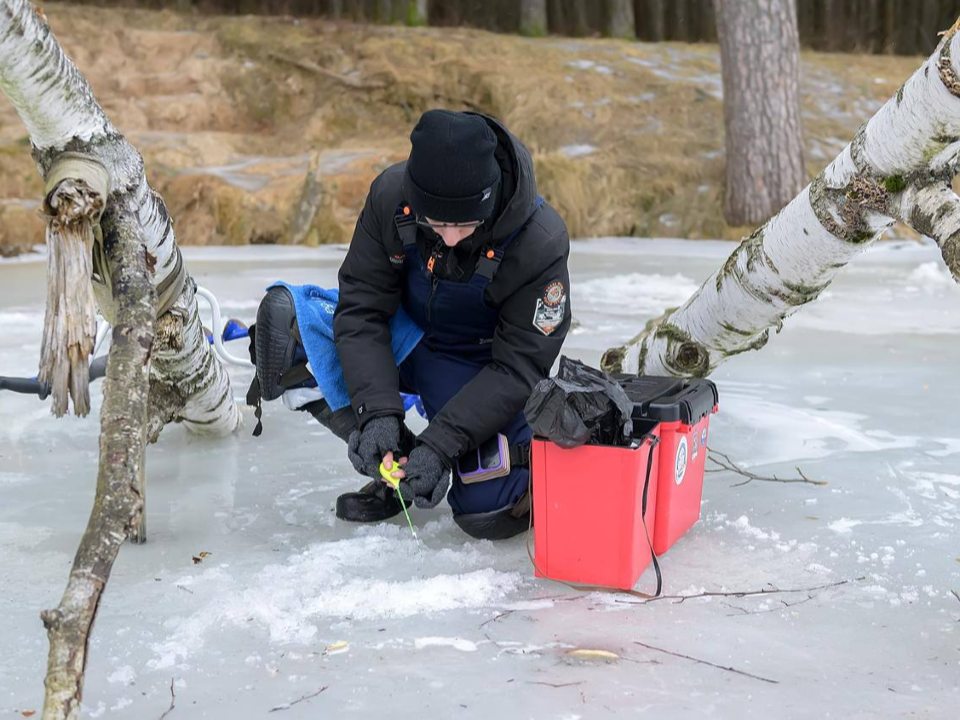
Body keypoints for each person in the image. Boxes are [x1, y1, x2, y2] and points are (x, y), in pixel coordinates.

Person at [331, 109, 571, 540]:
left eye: (465, 224)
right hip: (406, 341)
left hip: (478, 363)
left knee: (490, 513)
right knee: (286, 331)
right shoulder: (391, 198)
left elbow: (519, 366)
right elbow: (362, 308)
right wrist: (377, 413)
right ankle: (391, 460)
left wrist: (441, 444)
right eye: (437, 224)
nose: (452, 238)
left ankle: (447, 460)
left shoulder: (540, 241)